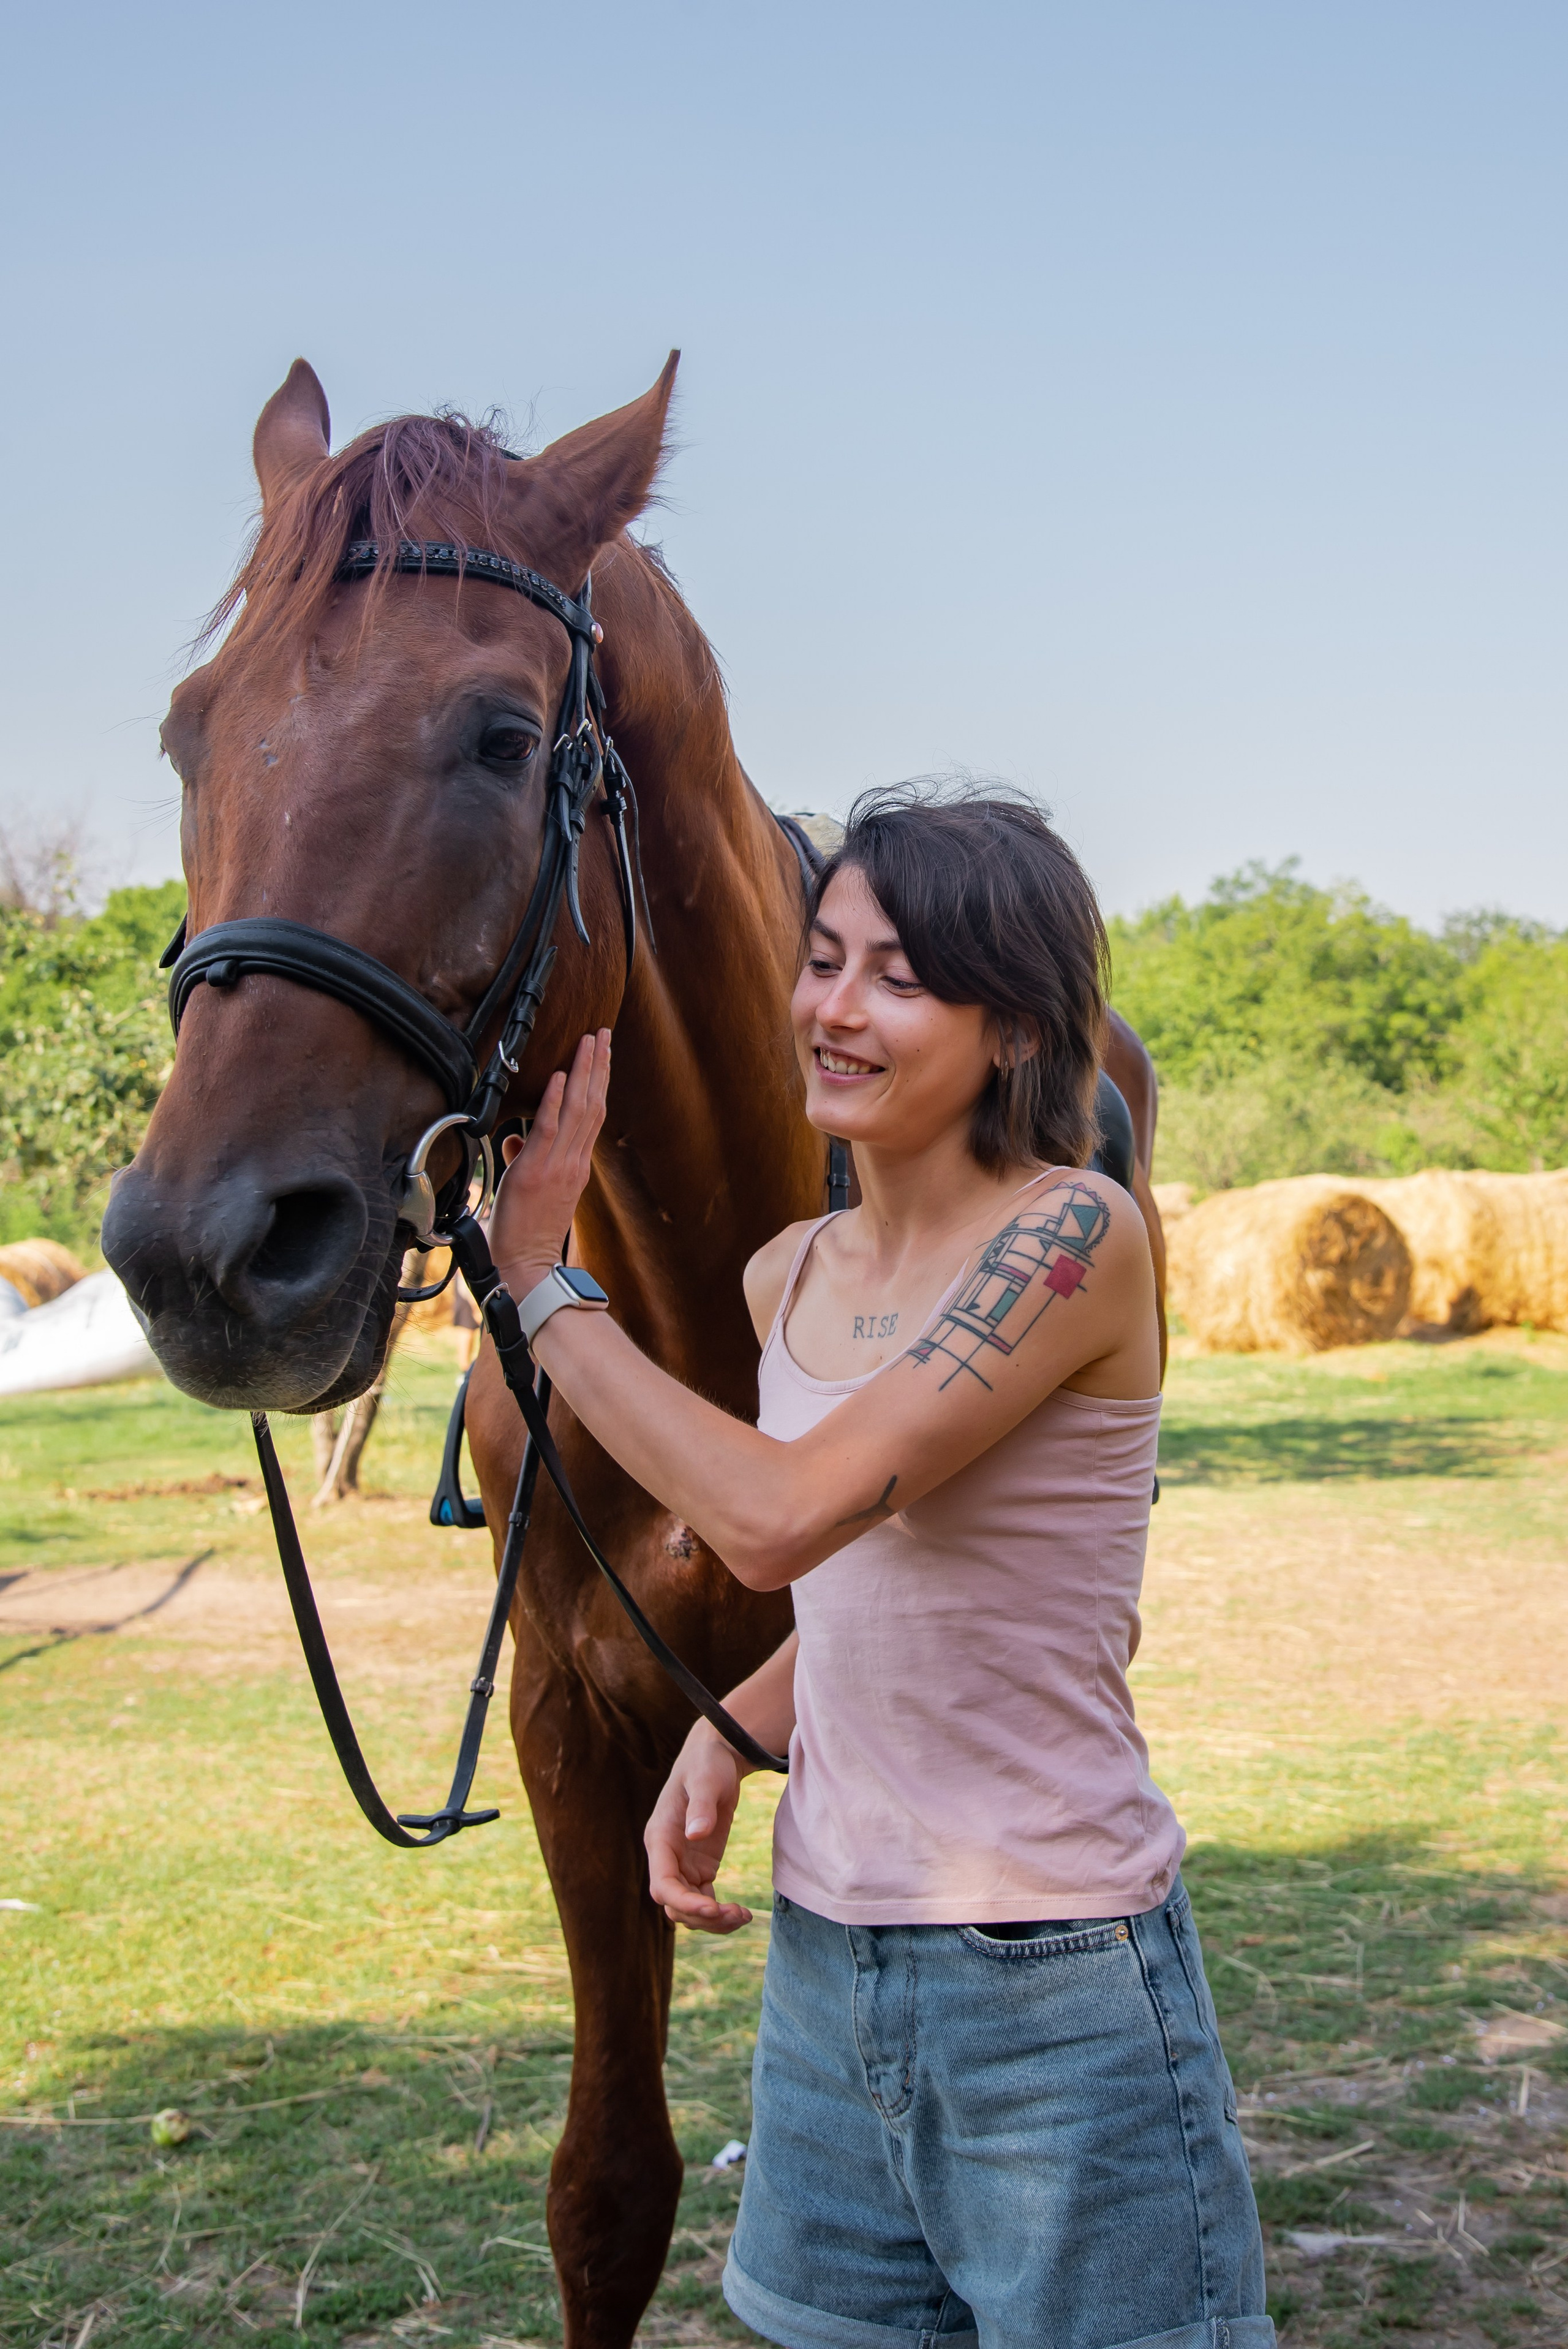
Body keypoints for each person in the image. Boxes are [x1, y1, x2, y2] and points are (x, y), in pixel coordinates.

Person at [489, 784, 1273, 2349]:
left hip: (1052, 1980)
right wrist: (732, 1729)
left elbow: (783, 1522)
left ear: (1016, 1027)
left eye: (898, 979)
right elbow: (872, 1601)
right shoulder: (791, 1274)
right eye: (822, 958)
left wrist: (539, 1283)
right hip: (828, 1964)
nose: (833, 1012)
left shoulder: (1069, 1241)